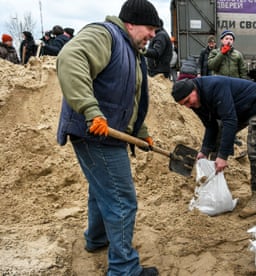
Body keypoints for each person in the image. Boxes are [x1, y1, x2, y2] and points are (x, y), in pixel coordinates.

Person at [55, 0, 161, 275]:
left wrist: (141, 133)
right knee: (122, 199)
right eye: (150, 28)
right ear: (131, 23)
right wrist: (91, 111)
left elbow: (130, 99)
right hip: (94, 133)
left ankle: (97, 239)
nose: (152, 35)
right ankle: (124, 269)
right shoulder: (105, 35)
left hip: (108, 134)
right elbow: (70, 58)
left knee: (101, 189)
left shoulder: (132, 51)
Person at [171, 76, 256, 218]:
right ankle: (216, 182)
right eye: (184, 105)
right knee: (217, 139)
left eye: (188, 101)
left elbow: (230, 121)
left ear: (194, 89)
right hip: (238, 109)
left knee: (254, 150)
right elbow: (211, 125)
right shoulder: (196, 101)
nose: (188, 106)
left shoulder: (215, 87)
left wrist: (222, 156)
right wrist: (204, 151)